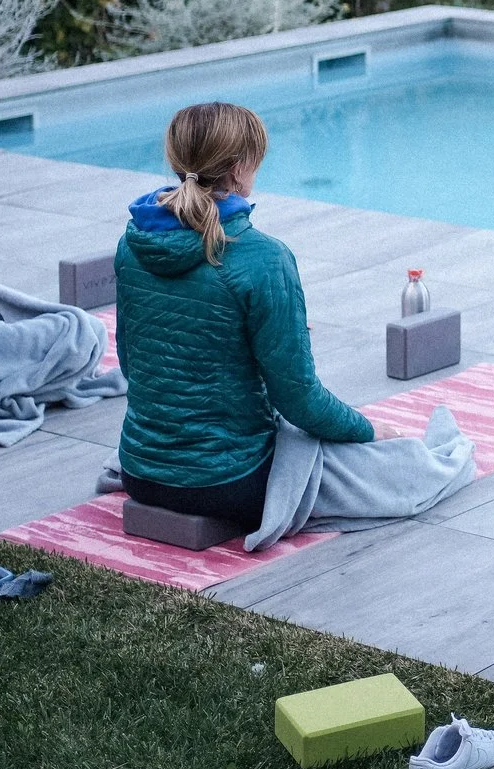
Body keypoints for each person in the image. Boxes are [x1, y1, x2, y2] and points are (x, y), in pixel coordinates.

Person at [114, 101, 372, 530]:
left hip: (140, 474)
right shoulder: (264, 258)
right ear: (238, 168)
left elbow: (132, 363)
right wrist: (368, 430)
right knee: (360, 459)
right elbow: (299, 401)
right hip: (230, 484)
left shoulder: (131, 245)